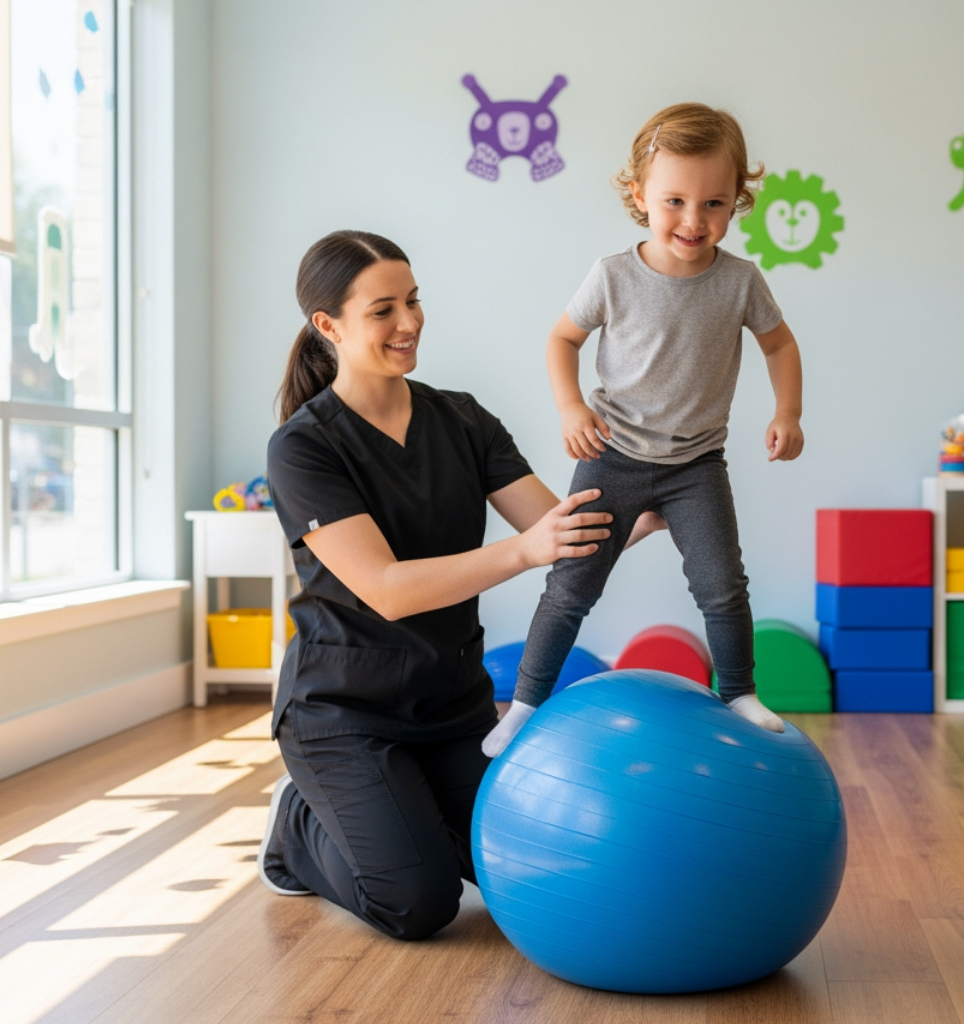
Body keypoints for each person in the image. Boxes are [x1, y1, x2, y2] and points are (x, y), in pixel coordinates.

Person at [258, 230, 661, 939]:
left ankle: (400, 814)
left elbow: (560, 530)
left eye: (413, 301)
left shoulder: (463, 420)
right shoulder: (303, 445)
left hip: (451, 709)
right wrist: (524, 553)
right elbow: (385, 587)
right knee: (420, 903)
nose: (409, 322)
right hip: (345, 714)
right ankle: (296, 824)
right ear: (329, 326)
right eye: (383, 310)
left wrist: (654, 498)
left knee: (537, 864)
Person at [482, 102, 805, 758]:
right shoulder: (613, 275)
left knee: (723, 585)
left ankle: (738, 690)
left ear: (738, 200)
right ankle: (524, 704)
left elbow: (780, 346)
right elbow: (561, 340)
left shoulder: (741, 281)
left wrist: (787, 414)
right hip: (613, 455)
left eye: (714, 203)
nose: (694, 220)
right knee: (571, 584)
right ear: (639, 195)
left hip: (696, 466)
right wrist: (572, 409)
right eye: (675, 201)